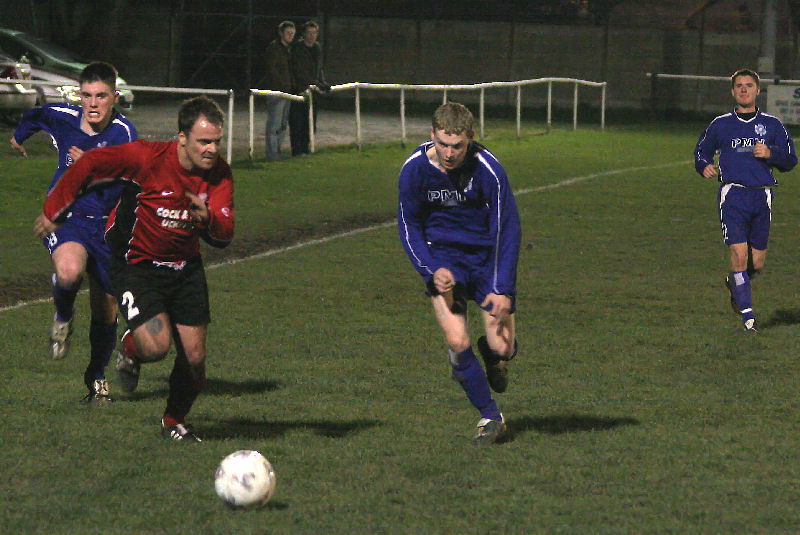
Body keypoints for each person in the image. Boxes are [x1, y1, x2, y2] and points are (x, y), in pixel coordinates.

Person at [36, 95, 234, 441]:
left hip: (185, 268)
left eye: (217, 141)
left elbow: (225, 233)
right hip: (136, 264)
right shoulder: (147, 158)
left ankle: (174, 420)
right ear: (182, 138)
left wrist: (209, 220)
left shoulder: (219, 174)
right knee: (155, 347)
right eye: (204, 141)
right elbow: (90, 165)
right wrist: (55, 208)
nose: (212, 149)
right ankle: (130, 348)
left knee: (196, 357)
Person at [13, 61, 137, 404]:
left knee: (106, 309)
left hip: (106, 227)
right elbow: (37, 114)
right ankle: (63, 317)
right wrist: (18, 136)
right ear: (79, 95)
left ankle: (96, 379)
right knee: (68, 272)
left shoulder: (124, 133)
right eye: (86, 95)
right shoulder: (65, 117)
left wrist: (91, 165)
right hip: (67, 218)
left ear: (114, 97)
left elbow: (130, 179)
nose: (93, 103)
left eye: (100, 96)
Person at [397, 102, 521, 446]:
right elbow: (409, 227)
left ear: (471, 138)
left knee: (503, 345)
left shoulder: (489, 170)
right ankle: (490, 416)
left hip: (485, 259)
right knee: (456, 339)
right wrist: (431, 268)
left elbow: (506, 229)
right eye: (443, 144)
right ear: (432, 136)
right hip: (444, 260)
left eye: (458, 146)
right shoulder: (414, 170)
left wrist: (502, 287)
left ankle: (495, 355)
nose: (449, 154)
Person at [695, 68, 797, 332]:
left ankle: (736, 281)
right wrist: (703, 164)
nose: (743, 89)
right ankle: (749, 319)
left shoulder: (773, 125)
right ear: (732, 91)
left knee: (756, 264)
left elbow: (790, 160)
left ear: (757, 90)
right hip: (733, 196)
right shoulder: (720, 124)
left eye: (748, 85)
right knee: (739, 257)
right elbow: (701, 150)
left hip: (762, 196)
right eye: (738, 85)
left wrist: (770, 153)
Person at [289, 20, 330, 156]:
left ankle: (306, 147)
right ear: (304, 34)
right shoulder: (298, 49)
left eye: (314, 33)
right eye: (309, 33)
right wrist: (317, 83)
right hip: (300, 91)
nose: (312, 36)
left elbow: (319, 69)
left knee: (310, 122)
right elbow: (299, 71)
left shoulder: (317, 48)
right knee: (298, 122)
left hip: (313, 91)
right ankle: (297, 150)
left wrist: (322, 82)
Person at [263, 20, 295, 161]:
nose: (290, 36)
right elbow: (272, 69)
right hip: (277, 92)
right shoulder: (274, 48)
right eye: (288, 33)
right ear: (281, 33)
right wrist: (281, 85)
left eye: (292, 34)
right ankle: (272, 153)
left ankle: (278, 150)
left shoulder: (288, 49)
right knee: (274, 124)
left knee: (283, 123)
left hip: (287, 91)